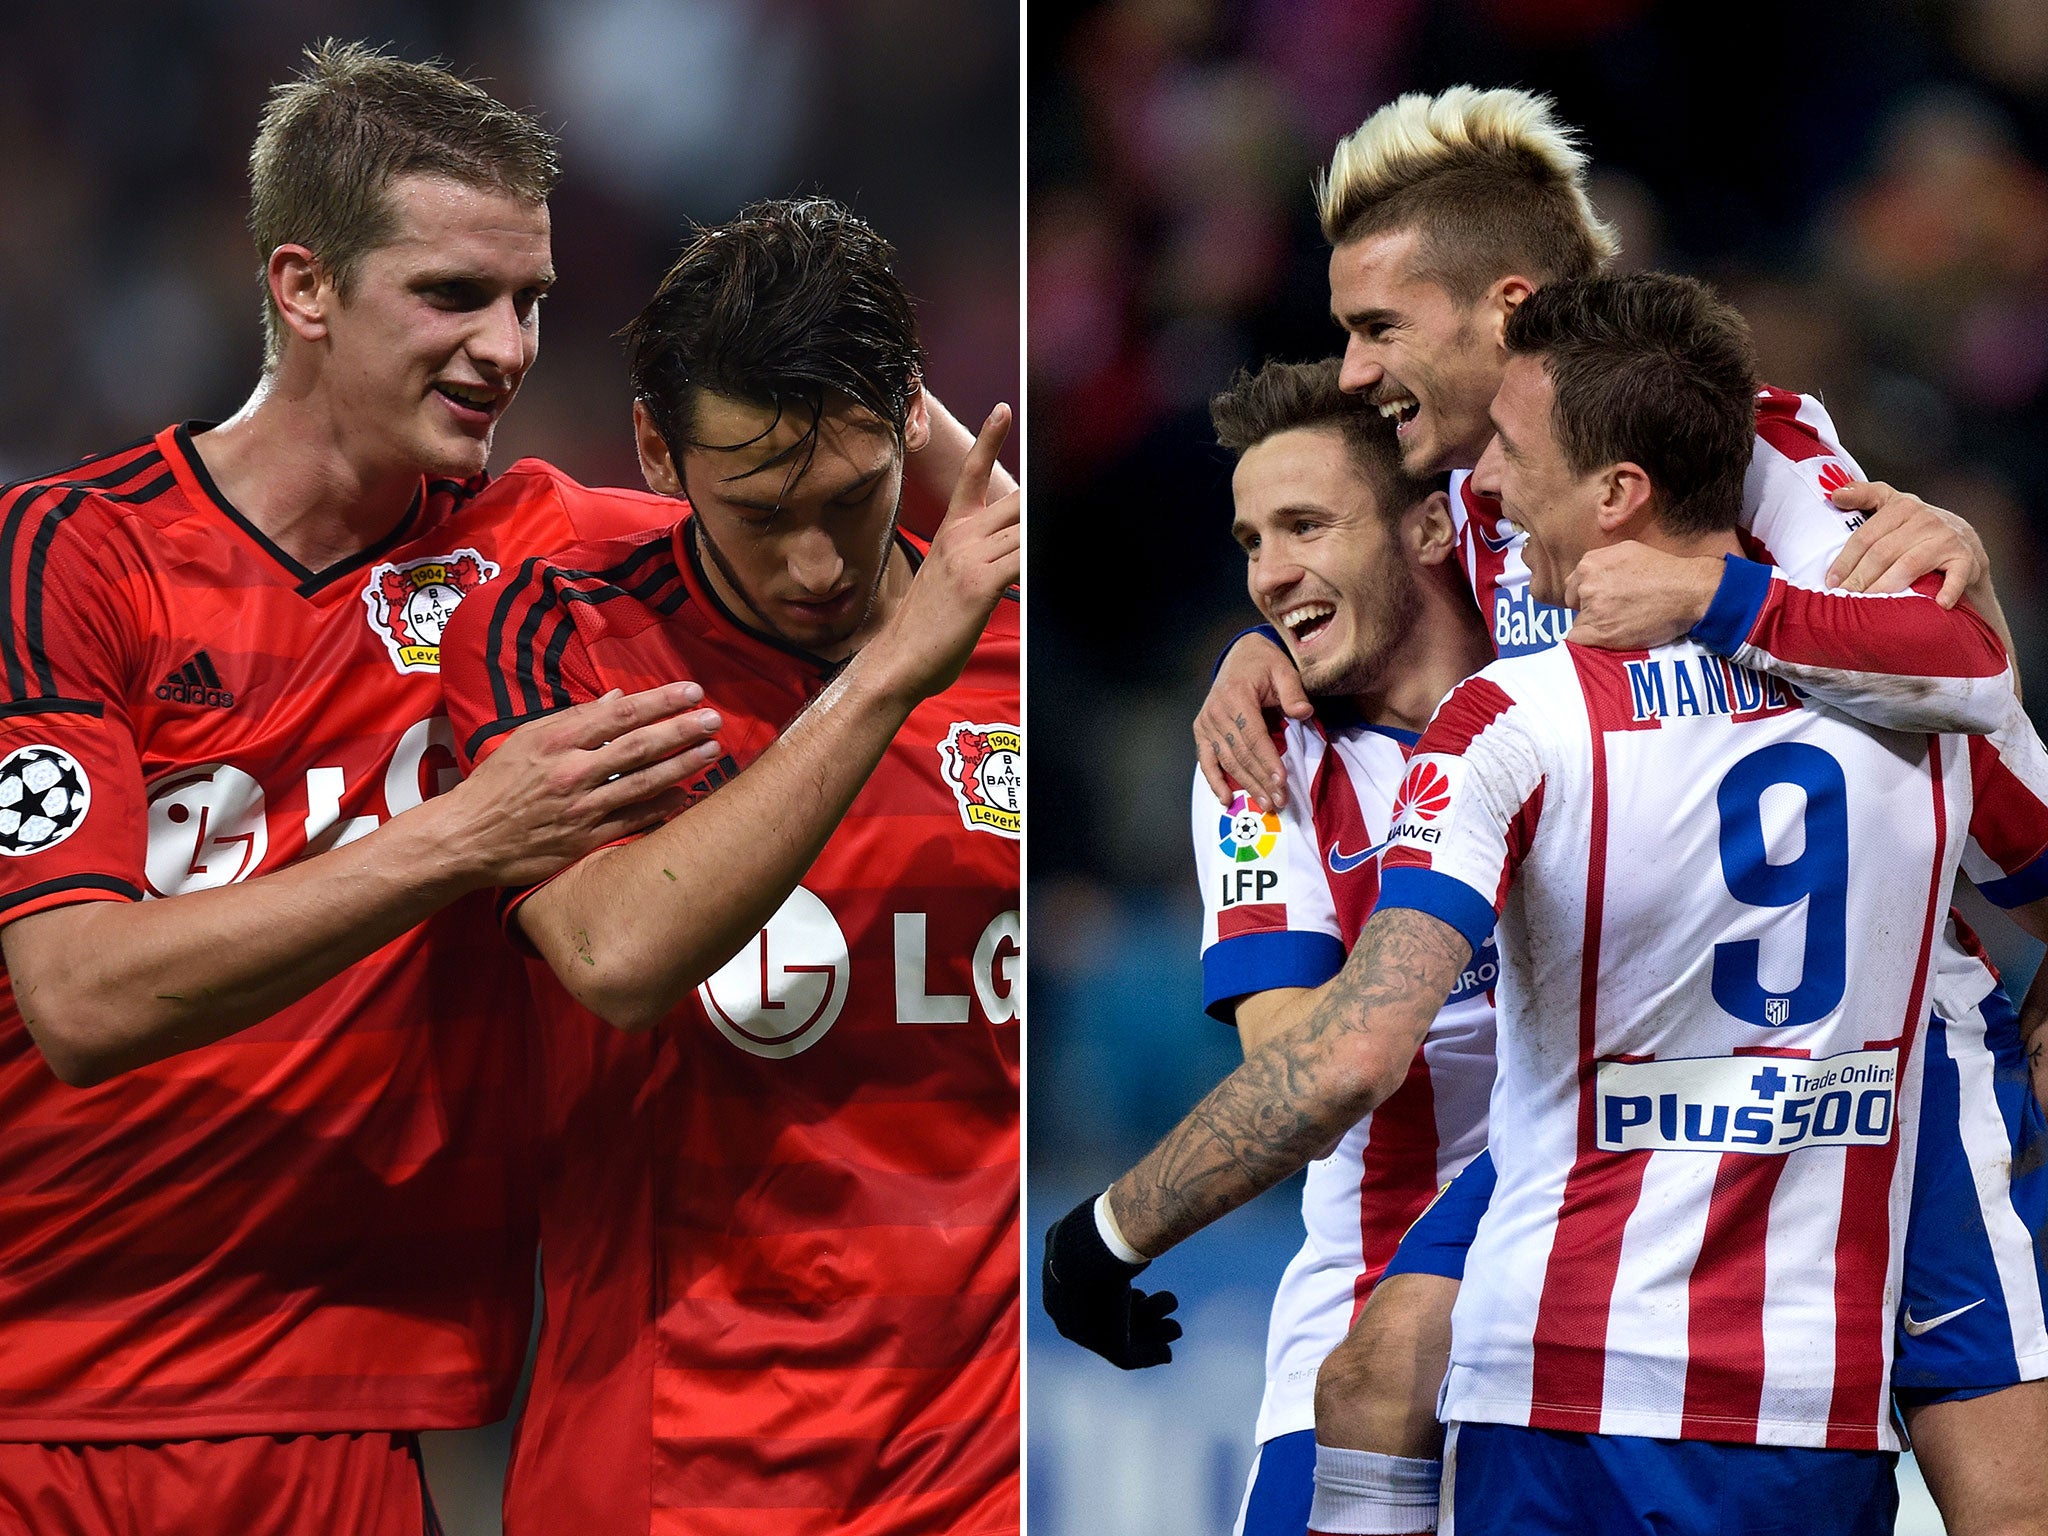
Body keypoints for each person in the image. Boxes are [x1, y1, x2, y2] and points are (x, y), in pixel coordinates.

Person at [0, 46, 999, 1535]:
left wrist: (1244, 660)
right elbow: (74, 1001)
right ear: (303, 285)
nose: (507, 348)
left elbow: (821, 475)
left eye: (529, 300)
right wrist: (461, 836)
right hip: (59, 1379)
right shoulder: (74, 555)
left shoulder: (552, 557)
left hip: (357, 1390)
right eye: (454, 297)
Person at [1048, 270, 2048, 1536]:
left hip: (1558, 1344)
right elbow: (1974, 686)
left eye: (1510, 460)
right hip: (1797, 1381)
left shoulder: (1509, 721)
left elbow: (1338, 1057)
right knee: (1364, 1376)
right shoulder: (1910, 693)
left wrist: (1113, 1228)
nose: (1491, 496)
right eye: (1252, 540)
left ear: (1615, 490)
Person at [438, 197, 1020, 1536]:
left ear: (910, 427)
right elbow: (617, 958)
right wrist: (886, 677)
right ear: (657, 448)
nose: (816, 562)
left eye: (855, 497)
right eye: (762, 510)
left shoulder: (1007, 639)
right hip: (681, 1474)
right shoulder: (563, 640)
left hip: (977, 1477)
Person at [1193, 359, 1497, 1536]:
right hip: (1357, 1321)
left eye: (1305, 525)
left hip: (1587, 1315)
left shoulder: (1570, 693)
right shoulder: (1258, 768)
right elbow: (1288, 1075)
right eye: (1250, 540)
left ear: (1429, 524)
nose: (1270, 573)